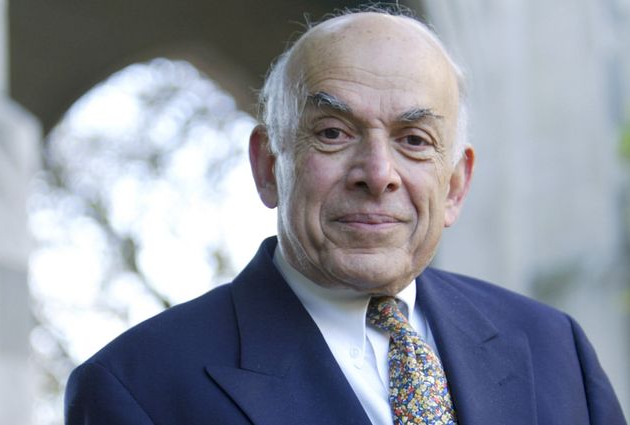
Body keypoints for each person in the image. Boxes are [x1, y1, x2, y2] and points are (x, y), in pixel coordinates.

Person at [65, 7, 626, 425]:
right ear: (268, 166)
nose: (377, 172)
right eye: (333, 134)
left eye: (414, 139)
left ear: (455, 185)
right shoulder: (136, 389)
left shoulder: (556, 350)